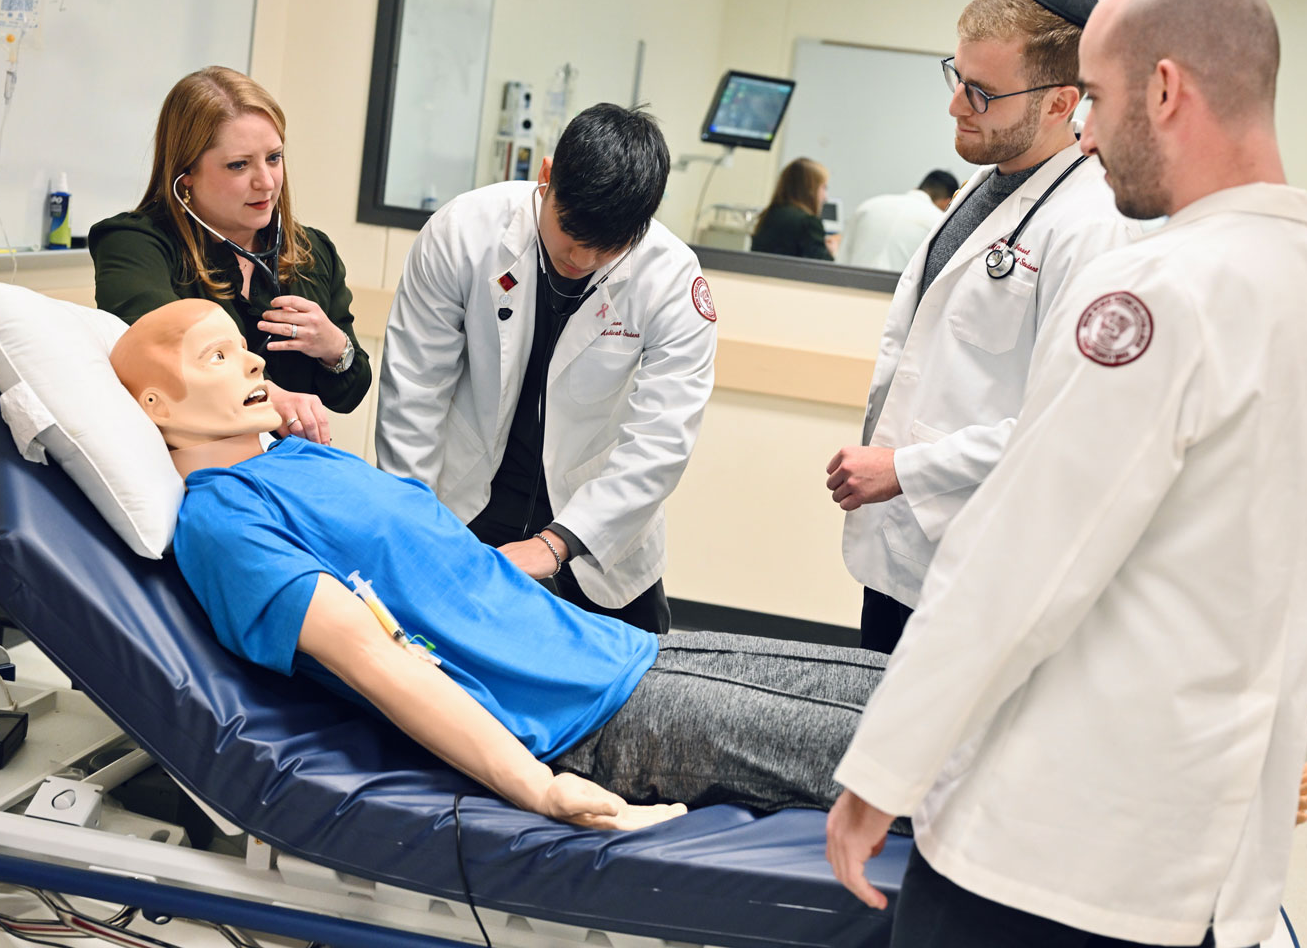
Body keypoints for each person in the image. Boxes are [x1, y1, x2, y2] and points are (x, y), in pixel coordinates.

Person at [826, 0, 1307, 948]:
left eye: (1093, 97)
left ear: (1164, 90)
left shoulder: (1157, 294)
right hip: (1203, 872)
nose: (1083, 132)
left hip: (1047, 853)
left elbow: (1025, 558)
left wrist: (884, 768)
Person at [110, 299, 887, 830]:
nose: (251, 364)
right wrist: (539, 787)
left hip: (620, 653)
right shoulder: (223, 521)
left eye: (244, 348)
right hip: (589, 721)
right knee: (914, 754)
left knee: (906, 690)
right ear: (157, 407)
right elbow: (379, 663)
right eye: (218, 356)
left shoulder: (289, 460)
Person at [828, 0, 1142, 655]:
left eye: (982, 92)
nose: (955, 106)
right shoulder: (990, 183)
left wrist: (905, 468)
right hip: (910, 547)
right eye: (957, 77)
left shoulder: (1090, 226)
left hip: (981, 564)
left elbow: (1075, 415)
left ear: (1062, 101)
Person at [376, 103, 717, 634]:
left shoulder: (671, 280)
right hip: (467, 498)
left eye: (605, 249)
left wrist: (557, 544)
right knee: (439, 664)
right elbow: (415, 390)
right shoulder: (463, 233)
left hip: (598, 519)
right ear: (547, 175)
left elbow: (661, 440)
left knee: (634, 692)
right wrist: (409, 528)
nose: (580, 259)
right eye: (570, 235)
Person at [91, 66, 370, 446]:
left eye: (274, 158)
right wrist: (270, 396)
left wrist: (335, 348)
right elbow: (162, 354)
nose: (266, 181)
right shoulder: (136, 244)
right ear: (185, 173)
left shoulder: (313, 253)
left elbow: (349, 394)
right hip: (189, 471)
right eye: (239, 165)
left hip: (285, 471)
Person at [838, 171, 960, 273]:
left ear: (917, 188)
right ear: (948, 202)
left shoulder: (868, 206)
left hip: (849, 293)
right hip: (896, 297)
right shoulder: (939, 222)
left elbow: (841, 261)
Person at [750, 157, 836, 260]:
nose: (825, 197)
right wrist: (830, 251)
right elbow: (823, 269)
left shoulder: (767, 216)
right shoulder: (808, 223)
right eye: (824, 187)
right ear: (810, 189)